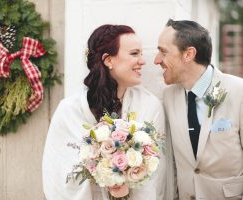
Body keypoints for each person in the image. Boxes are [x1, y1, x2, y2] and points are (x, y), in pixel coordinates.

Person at [42, 24, 167, 200]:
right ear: (108, 60)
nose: (142, 60)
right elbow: (57, 172)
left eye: (140, 53)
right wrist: (103, 171)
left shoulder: (149, 106)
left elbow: (156, 174)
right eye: (134, 53)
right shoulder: (69, 110)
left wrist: (128, 177)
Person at [154, 19, 243, 200]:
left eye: (163, 52)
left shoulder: (239, 91)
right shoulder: (168, 97)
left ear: (188, 54)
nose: (156, 60)